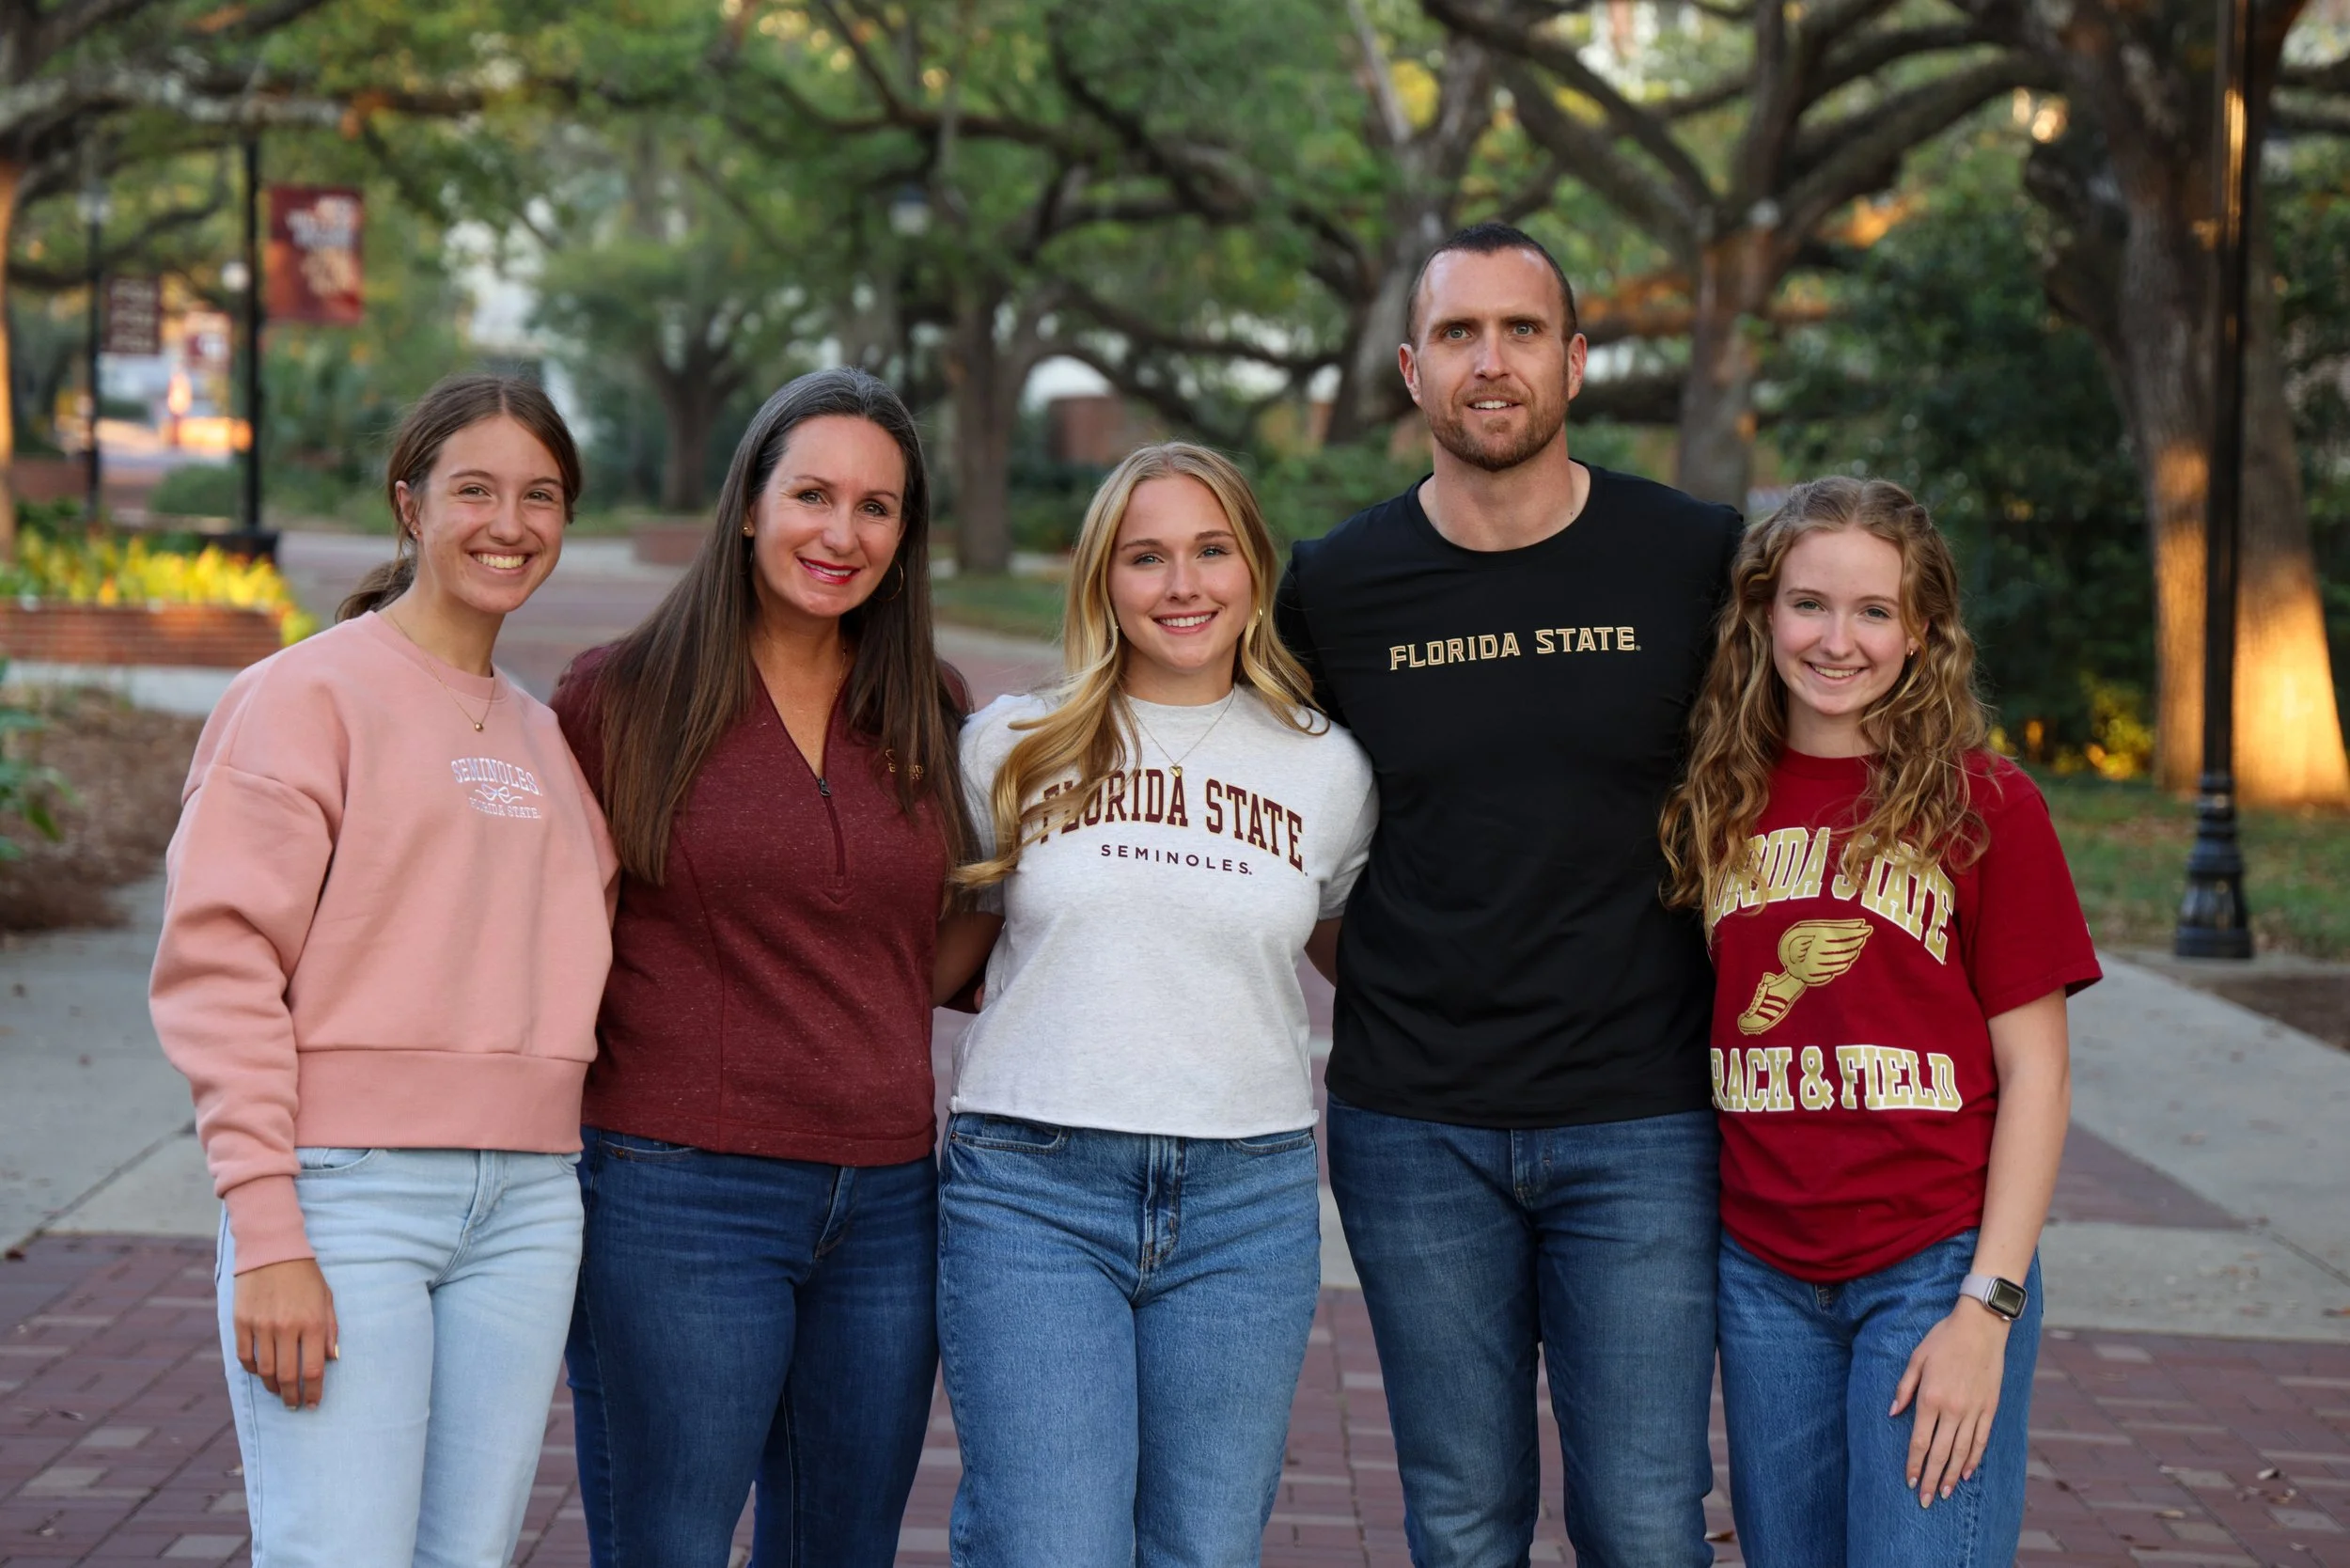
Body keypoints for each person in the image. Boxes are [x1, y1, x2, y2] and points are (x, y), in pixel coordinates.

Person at [1272, 221, 1742, 1566]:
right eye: (1462, 335)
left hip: (1645, 1119)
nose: (1493, 363)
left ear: (1576, 362)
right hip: (1415, 1126)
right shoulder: (1337, 584)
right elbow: (1271, 819)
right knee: (1464, 1516)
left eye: (1522, 331)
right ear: (1413, 371)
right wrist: (1398, 967)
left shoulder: (1690, 557)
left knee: (1648, 1521)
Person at [149, 373, 614, 1567]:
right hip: (346, 1196)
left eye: (540, 496)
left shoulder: (545, 737)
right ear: (409, 506)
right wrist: (268, 1232)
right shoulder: (302, 697)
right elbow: (220, 966)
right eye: (475, 490)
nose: (508, 524)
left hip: (527, 1206)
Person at [552, 367, 975, 1568]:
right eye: (812, 496)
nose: (841, 535)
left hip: (889, 1203)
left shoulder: (926, 707)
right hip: (681, 1192)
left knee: (842, 1549)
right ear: (748, 502)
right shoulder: (619, 698)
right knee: (670, 1544)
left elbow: (924, 956)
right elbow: (542, 935)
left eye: (878, 508)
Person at [936, 442, 1377, 1566]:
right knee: (1050, 1546)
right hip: (1032, 1187)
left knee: (1203, 1549)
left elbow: (1350, 957)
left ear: (1253, 569)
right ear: (1102, 581)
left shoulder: (1327, 768)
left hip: (1246, 1199)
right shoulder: (1010, 744)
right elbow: (943, 952)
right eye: (1146, 558)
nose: (1182, 586)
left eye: (1210, 551)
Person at [1659, 476, 2095, 1566]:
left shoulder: (1982, 803)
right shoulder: (1717, 797)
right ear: (1762, 614)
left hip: (1931, 1264)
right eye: (1809, 604)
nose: (1836, 640)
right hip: (1762, 1274)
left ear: (1922, 632)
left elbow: (2037, 1075)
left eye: (1873, 611)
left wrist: (1984, 1311)